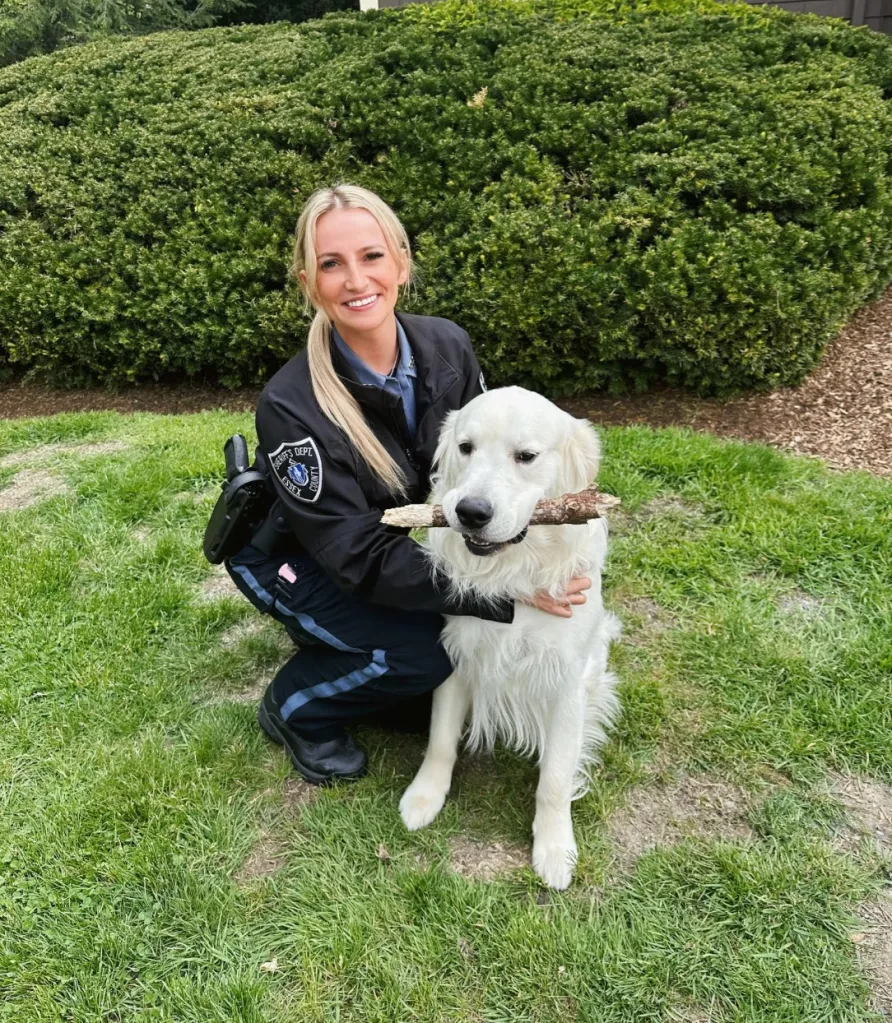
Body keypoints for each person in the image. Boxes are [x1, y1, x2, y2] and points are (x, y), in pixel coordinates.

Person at [224, 183, 591, 785]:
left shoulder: (447, 343)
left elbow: (478, 471)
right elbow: (355, 556)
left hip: (396, 541)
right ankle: (294, 709)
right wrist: (502, 595)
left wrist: (528, 560)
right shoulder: (291, 405)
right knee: (424, 654)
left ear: (401, 262)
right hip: (300, 558)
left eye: (371, 256)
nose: (356, 279)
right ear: (308, 282)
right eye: (331, 264)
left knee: (439, 667)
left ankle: (362, 653)